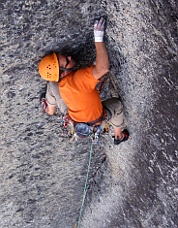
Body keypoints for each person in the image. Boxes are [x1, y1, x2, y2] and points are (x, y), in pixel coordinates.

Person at [38, 17, 129, 145]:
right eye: (67, 61)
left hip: (73, 117)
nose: (70, 57)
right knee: (116, 105)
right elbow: (102, 68)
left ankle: (50, 109)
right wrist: (98, 38)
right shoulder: (78, 80)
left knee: (53, 86)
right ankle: (118, 134)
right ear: (63, 72)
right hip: (95, 121)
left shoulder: (61, 81)